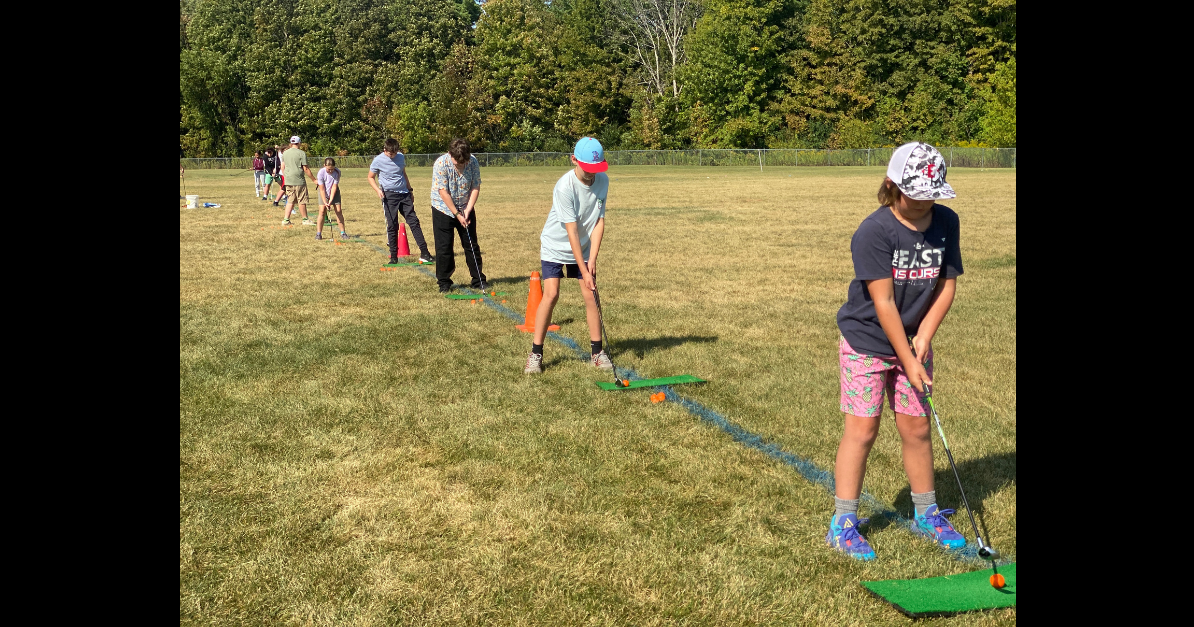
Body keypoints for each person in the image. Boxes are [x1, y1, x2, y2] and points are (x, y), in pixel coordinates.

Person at [828, 142, 966, 561]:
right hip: (867, 343)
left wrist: (923, 338)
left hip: (913, 341)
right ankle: (844, 522)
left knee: (917, 428)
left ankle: (926, 513)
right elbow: (884, 303)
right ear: (892, 185)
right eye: (916, 194)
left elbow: (946, 284)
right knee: (863, 430)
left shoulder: (946, 221)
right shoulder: (874, 232)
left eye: (932, 194)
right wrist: (907, 357)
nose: (925, 203)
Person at [523, 137, 611, 375]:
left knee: (591, 294)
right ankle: (536, 354)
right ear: (574, 160)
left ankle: (597, 353)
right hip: (556, 246)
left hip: (582, 248)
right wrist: (583, 269)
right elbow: (571, 230)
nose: (592, 175)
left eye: (596, 169)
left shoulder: (603, 181)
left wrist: (591, 260)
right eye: (588, 169)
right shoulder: (565, 186)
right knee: (551, 294)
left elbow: (599, 221)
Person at [430, 138, 485, 292]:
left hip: (465, 206)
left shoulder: (473, 162)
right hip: (443, 208)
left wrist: (467, 211)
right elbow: (443, 192)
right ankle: (444, 282)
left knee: (471, 244)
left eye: (463, 162)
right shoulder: (441, 164)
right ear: (450, 154)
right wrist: (457, 214)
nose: (461, 166)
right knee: (444, 247)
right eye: (457, 163)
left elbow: (475, 186)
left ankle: (478, 279)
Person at [368, 138, 432, 264]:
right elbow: (370, 177)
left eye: (395, 153)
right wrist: (378, 190)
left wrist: (410, 190)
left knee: (414, 222)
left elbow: (403, 174)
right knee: (392, 225)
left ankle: (425, 253)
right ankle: (393, 256)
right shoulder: (378, 161)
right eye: (391, 153)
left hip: (404, 194)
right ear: (385, 150)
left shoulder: (401, 157)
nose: (393, 155)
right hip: (389, 196)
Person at [281, 136, 317, 226]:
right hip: (298, 179)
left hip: (288, 180)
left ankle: (286, 220)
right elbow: (305, 168)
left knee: (290, 200)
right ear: (299, 143)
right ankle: (305, 219)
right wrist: (314, 179)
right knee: (302, 200)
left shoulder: (285, 153)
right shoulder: (301, 153)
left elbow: (283, 166)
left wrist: (286, 177)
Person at [315, 158, 349, 241]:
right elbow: (322, 189)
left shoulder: (337, 172)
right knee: (322, 211)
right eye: (329, 169)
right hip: (323, 192)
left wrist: (330, 200)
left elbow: (334, 186)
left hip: (334, 192)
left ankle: (343, 233)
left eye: (332, 169)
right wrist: (325, 201)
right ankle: (318, 234)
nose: (331, 171)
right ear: (324, 166)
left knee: (338, 211)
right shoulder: (321, 173)